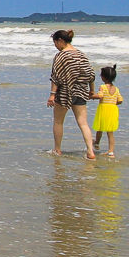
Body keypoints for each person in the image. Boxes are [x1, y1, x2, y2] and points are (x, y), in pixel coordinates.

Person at [48, 29, 96, 159]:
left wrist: (52, 95)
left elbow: (56, 77)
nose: (55, 46)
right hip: (81, 91)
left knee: (58, 122)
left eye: (55, 43)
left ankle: (57, 150)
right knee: (83, 123)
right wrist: (91, 91)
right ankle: (90, 151)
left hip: (65, 92)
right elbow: (91, 75)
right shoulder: (81, 55)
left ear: (60, 41)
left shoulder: (61, 56)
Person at [92, 65, 123, 157]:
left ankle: (97, 144)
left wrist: (91, 96)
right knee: (110, 132)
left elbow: (100, 96)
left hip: (103, 109)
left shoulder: (102, 87)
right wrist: (112, 104)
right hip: (113, 110)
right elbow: (120, 100)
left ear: (103, 77)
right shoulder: (116, 89)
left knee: (100, 128)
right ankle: (111, 151)